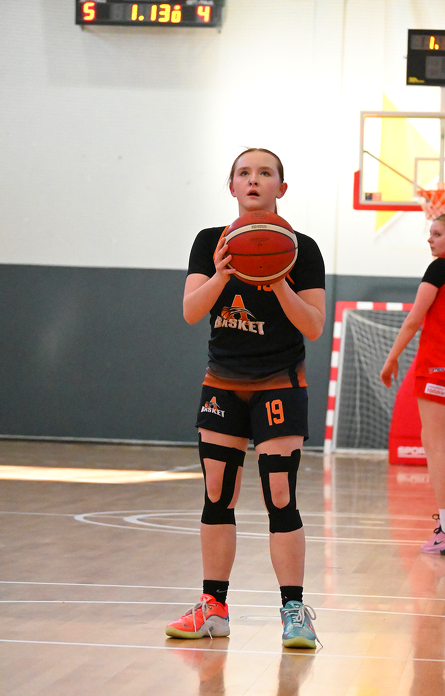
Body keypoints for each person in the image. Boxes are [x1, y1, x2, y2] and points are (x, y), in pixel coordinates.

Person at [165, 148, 326, 648]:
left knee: (281, 494)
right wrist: (222, 274)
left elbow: (314, 326)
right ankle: (213, 607)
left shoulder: (303, 249)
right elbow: (191, 311)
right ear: (231, 186)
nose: (254, 180)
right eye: (244, 173)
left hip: (280, 383)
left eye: (265, 173)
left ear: (282, 187)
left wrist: (277, 283)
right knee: (217, 492)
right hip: (223, 383)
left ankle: (294, 611)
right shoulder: (210, 242)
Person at [381, 213, 445, 556]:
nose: (430, 239)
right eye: (430, 234)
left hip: (439, 368)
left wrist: (391, 358)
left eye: (437, 233)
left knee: (437, 446)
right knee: (435, 441)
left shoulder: (441, 267)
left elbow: (414, 318)